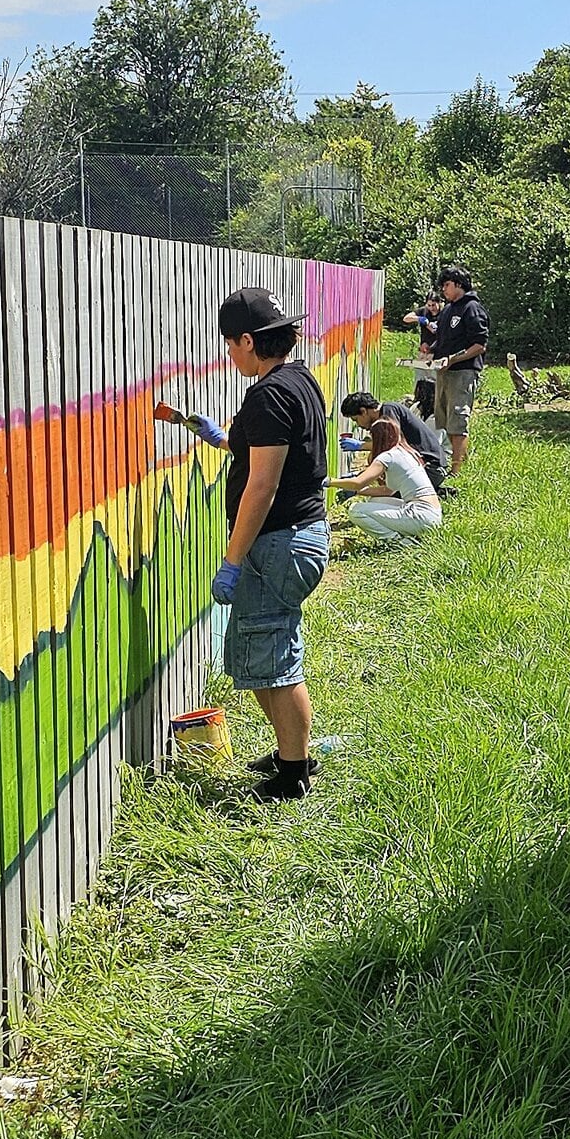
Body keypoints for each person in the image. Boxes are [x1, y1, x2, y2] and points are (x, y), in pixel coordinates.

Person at [167, 286, 330, 802]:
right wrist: (215, 433)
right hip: (297, 539)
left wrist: (233, 560)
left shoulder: (268, 394)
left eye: (230, 346)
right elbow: (260, 442)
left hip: (279, 545)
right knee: (267, 655)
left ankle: (294, 774)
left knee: (276, 659)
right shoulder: (297, 379)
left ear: (247, 340)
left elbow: (263, 484)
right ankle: (292, 753)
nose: (228, 356)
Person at [330, 417, 443, 542]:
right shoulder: (405, 452)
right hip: (433, 515)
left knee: (355, 510)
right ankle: (411, 534)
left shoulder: (388, 456)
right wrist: (357, 492)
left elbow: (358, 482)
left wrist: (330, 482)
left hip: (420, 517)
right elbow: (388, 491)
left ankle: (400, 542)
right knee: (376, 501)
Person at [340, 390, 452, 495]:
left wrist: (358, 480)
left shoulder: (389, 412)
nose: (358, 425)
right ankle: (435, 491)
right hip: (428, 468)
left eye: (356, 419)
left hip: (431, 469)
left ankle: (435, 492)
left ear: (363, 411)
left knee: (390, 495)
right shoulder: (388, 412)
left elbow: (390, 448)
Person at [433, 265, 489, 472]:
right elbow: (443, 340)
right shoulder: (448, 309)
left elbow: (479, 345)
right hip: (444, 371)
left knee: (458, 422)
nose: (443, 290)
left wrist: (454, 359)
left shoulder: (472, 308)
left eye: (446, 285)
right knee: (447, 422)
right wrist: (430, 349)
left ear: (459, 284)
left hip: (463, 372)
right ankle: (455, 464)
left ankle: (457, 472)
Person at [403, 291, 442, 418]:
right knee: (420, 376)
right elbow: (406, 318)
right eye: (429, 305)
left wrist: (433, 347)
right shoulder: (424, 311)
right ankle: (419, 400)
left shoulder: (445, 313)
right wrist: (421, 319)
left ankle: (436, 404)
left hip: (438, 352)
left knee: (434, 379)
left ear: (439, 303)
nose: (431, 308)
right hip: (424, 351)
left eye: (434, 305)